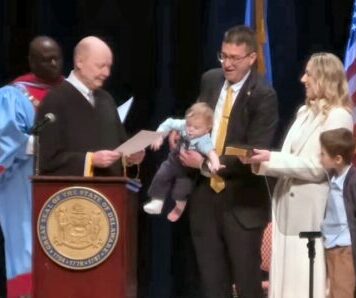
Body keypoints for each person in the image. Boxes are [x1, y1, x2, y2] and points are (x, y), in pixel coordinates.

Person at [242, 52, 354, 297]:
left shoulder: (338, 115)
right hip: (285, 209)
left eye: (309, 74)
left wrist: (270, 160)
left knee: (304, 280)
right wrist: (261, 161)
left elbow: (320, 167)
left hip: (310, 212)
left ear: (324, 78)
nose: (303, 79)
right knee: (284, 281)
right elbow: (286, 156)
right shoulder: (305, 113)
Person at [178, 25, 279, 298]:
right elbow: (198, 122)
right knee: (212, 283)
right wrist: (182, 138)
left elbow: (251, 152)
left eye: (235, 58)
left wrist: (205, 164)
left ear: (251, 58)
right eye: (224, 56)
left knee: (247, 283)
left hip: (242, 204)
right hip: (205, 202)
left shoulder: (263, 95)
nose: (228, 64)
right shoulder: (210, 80)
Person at [0, 36, 63, 297]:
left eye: (57, 58)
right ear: (31, 61)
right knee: (27, 246)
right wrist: (32, 145)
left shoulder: (71, 93)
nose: (54, 64)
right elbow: (4, 137)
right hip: (23, 183)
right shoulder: (12, 95)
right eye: (46, 59)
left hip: (64, 178)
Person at [37, 36, 144, 177]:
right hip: (74, 195)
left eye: (109, 67)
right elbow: (48, 159)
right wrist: (90, 160)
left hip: (110, 192)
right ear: (79, 62)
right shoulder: (55, 100)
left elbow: (119, 146)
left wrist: (130, 157)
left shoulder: (106, 99)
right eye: (101, 66)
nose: (107, 73)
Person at [144, 102, 221, 222]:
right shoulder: (184, 125)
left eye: (196, 127)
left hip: (187, 169)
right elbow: (169, 123)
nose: (190, 129)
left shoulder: (204, 140)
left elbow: (211, 152)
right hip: (174, 160)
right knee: (161, 175)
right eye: (189, 125)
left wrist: (215, 163)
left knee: (181, 191)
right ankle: (157, 202)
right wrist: (159, 136)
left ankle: (179, 207)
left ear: (207, 129)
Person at [319, 128, 356, 298]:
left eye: (323, 154)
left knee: (344, 292)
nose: (319, 158)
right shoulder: (331, 177)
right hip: (330, 246)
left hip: (345, 249)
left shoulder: (355, 183)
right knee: (332, 293)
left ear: (338, 159)